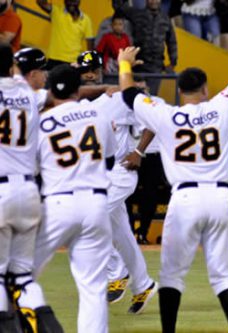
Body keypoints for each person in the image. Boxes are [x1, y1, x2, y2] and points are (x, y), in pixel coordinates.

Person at [117, 22, 228, 332]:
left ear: (180, 91)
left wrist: (124, 63)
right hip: (220, 196)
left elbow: (128, 95)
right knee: (222, 274)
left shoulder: (166, 114)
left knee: (171, 275)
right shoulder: (222, 105)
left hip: (185, 198)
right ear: (205, 88)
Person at [33, 64, 117, 333]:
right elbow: (110, 159)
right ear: (78, 89)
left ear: (49, 90)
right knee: (93, 288)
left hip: (57, 203)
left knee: (18, 275)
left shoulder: (41, 123)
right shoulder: (98, 114)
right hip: (95, 203)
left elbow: (32, 170)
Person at [74, 50, 159, 315]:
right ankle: (143, 284)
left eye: (94, 69)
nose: (90, 73)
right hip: (93, 175)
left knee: (85, 219)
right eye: (84, 70)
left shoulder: (118, 97)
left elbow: (153, 119)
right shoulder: (76, 104)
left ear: (101, 71)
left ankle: (116, 271)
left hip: (119, 172)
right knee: (122, 233)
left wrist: (140, 151)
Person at [0, 44, 63, 333]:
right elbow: (49, 94)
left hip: (1, 192)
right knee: (23, 275)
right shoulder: (26, 92)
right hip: (29, 193)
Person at [112, 0, 178, 95]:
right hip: (138, 65)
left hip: (156, 67)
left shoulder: (165, 18)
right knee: (135, 97)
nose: (154, 1)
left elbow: (171, 41)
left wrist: (173, 62)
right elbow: (119, 7)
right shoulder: (136, 14)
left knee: (151, 98)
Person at [36, 0, 93, 68]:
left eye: (74, 1)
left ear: (78, 1)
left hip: (73, 63)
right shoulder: (56, 11)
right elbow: (40, 2)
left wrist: (87, 64)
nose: (71, 3)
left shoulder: (86, 20)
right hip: (54, 60)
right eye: (68, 1)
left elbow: (90, 46)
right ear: (64, 1)